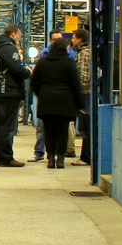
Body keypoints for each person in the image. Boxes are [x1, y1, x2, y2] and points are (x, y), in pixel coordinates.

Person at [30, 37, 83, 168]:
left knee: (49, 131)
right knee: (62, 131)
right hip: (65, 100)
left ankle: (50, 159)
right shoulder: (69, 62)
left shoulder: (42, 62)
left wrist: (42, 93)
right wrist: (80, 104)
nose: (69, 49)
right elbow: (76, 85)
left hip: (46, 99)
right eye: (68, 47)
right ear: (64, 48)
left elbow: (34, 83)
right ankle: (60, 159)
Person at [0, 23, 32, 167]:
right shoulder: (8, 48)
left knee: (0, 126)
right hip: (8, 91)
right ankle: (6, 158)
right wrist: (27, 72)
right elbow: (16, 69)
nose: (19, 38)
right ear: (13, 34)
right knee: (7, 127)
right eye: (19, 35)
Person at [30, 30, 67, 162]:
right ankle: (43, 153)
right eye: (55, 39)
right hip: (55, 99)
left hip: (54, 99)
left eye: (60, 39)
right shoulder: (45, 56)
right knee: (45, 128)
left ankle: (55, 156)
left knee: (59, 129)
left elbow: (34, 82)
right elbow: (35, 80)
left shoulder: (69, 56)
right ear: (50, 41)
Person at [71, 27, 92, 166]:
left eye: (74, 37)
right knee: (86, 126)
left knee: (85, 127)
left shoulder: (84, 53)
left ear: (80, 39)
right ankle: (87, 156)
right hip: (87, 94)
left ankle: (86, 157)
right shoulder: (85, 52)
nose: (72, 40)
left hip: (85, 95)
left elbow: (84, 76)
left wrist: (77, 93)